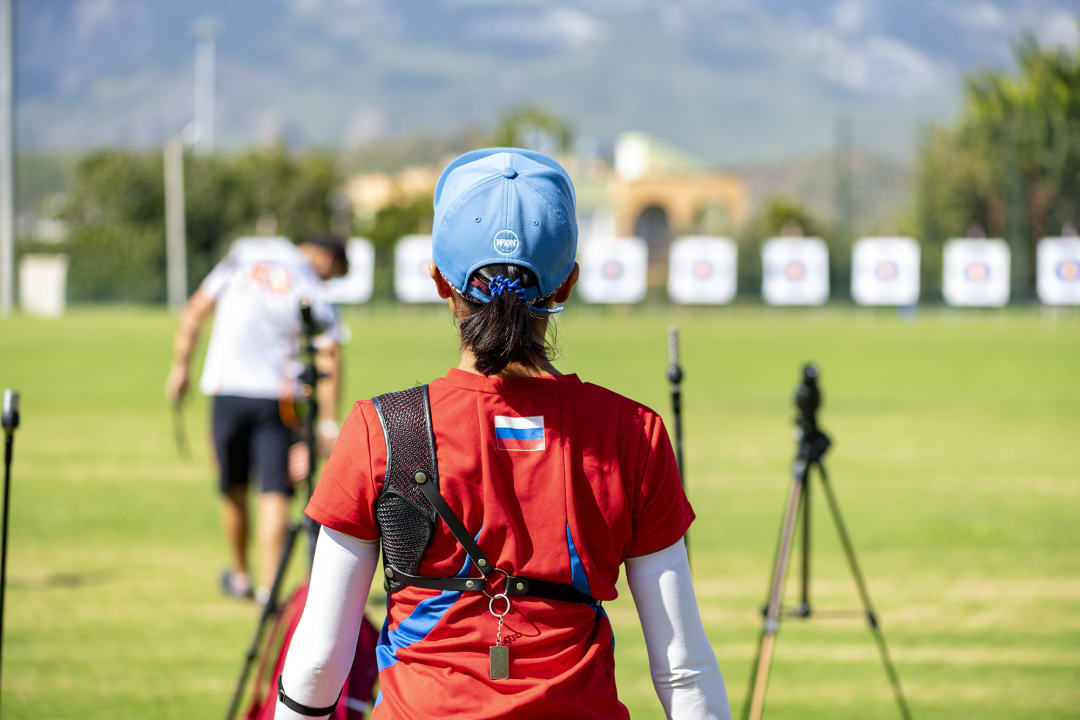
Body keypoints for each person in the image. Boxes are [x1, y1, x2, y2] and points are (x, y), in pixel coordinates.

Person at [277, 149, 731, 719]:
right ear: (567, 284)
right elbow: (682, 668)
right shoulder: (632, 433)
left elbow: (320, 660)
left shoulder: (381, 430)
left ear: (439, 278)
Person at [165, 233, 348, 605]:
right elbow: (328, 351)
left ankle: (239, 575)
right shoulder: (307, 280)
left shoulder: (241, 256)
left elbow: (194, 311)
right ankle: (269, 589)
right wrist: (327, 421)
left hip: (226, 389)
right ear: (326, 259)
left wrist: (180, 366)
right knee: (274, 491)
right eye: (333, 275)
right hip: (277, 397)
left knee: (231, 485)